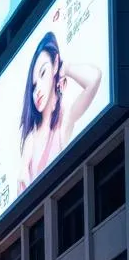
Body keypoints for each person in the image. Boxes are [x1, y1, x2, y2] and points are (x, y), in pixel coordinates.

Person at [18, 31, 102, 193]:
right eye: (34, 86)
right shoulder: (31, 138)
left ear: (55, 64)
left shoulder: (64, 121)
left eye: (43, 73)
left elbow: (95, 78)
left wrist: (66, 68)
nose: (38, 91)